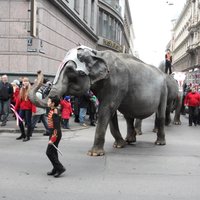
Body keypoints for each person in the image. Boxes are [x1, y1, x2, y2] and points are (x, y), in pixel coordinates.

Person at [46, 96, 66, 178]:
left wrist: (52, 139)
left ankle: (60, 168)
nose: (47, 102)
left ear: (53, 103)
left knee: (49, 152)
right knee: (53, 152)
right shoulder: (52, 110)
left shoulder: (55, 113)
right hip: (53, 133)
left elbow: (56, 128)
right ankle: (55, 168)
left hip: (55, 134)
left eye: (49, 101)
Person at [15, 77, 36, 141]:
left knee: (28, 122)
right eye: (24, 81)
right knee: (20, 121)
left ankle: (28, 136)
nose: (25, 82)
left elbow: (33, 101)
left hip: (28, 109)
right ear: (23, 82)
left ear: (28, 82)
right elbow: (18, 99)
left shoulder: (31, 90)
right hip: (22, 108)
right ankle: (23, 134)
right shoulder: (21, 89)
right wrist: (16, 107)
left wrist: (33, 110)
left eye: (26, 81)